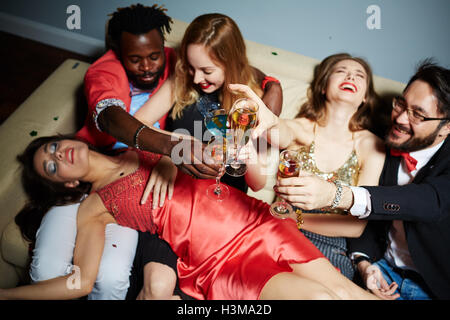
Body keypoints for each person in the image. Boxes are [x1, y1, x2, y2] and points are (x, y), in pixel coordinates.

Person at [0, 135, 379, 300]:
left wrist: (180, 153)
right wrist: (8, 295)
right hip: (222, 263)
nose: (59, 156)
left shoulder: (142, 142)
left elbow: (207, 149)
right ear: (66, 186)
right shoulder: (93, 207)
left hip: (259, 221)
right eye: (52, 167)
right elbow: (80, 283)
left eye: (53, 147)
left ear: (68, 139)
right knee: (317, 296)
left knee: (347, 292)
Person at [27, 4, 202, 300]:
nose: (146, 66)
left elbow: (228, 62)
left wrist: (270, 85)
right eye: (134, 59)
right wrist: (167, 147)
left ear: (163, 46)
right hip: (88, 174)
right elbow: (109, 116)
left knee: (111, 279)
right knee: (47, 269)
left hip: (132, 181)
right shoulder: (104, 70)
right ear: (119, 53)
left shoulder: (179, 63)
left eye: (154, 56)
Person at [264, 61, 450, 300]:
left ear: (446, 128)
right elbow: (373, 222)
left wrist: (336, 195)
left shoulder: (372, 145)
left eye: (418, 114)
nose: (402, 118)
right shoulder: (390, 142)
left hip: (432, 286)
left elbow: (427, 200)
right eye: (401, 104)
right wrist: (363, 262)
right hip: (379, 271)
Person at [230, 53, 386, 280]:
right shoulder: (301, 128)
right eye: (341, 71)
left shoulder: (371, 145)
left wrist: (299, 219)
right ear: (323, 86)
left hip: (332, 246)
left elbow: (356, 227)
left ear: (365, 96)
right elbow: (279, 131)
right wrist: (267, 117)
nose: (350, 76)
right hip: (281, 231)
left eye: (359, 75)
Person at [133, 13, 282, 194]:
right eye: (191, 66)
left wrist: (248, 153)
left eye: (207, 71)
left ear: (231, 64)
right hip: (177, 187)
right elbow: (137, 122)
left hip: (222, 197)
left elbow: (257, 184)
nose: (196, 78)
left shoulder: (250, 100)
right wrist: (172, 149)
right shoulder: (181, 80)